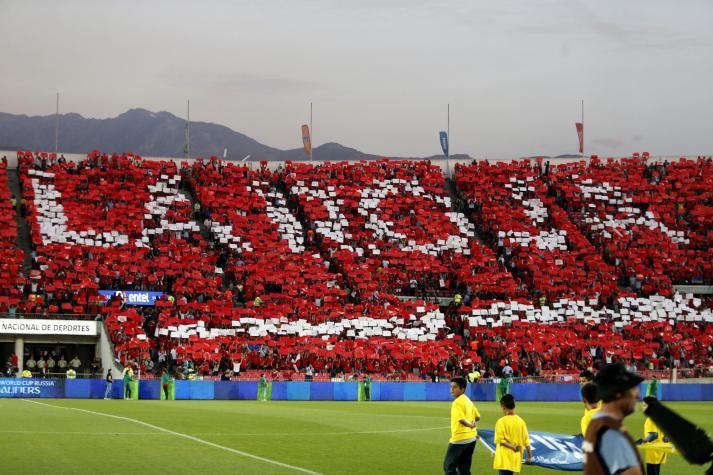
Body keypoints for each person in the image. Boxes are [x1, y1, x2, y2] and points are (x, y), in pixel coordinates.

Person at [583, 362, 644, 475]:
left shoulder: (596, 422)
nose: (638, 395)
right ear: (618, 393)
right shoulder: (611, 433)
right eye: (632, 388)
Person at [443, 377, 480, 475]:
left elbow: (461, 420)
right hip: (471, 439)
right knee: (464, 467)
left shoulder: (457, 402)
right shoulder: (468, 400)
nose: (452, 390)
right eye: (451, 387)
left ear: (462, 389)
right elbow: (478, 416)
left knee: (448, 466)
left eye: (455, 387)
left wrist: (470, 425)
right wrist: (473, 425)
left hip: (460, 438)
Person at [493, 394, 532, 475]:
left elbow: (500, 441)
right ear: (514, 405)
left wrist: (512, 446)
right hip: (515, 459)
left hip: (504, 459)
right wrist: (529, 456)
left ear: (503, 406)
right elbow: (526, 441)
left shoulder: (501, 422)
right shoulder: (521, 421)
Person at [637, 397, 668, 475]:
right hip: (661, 451)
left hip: (653, 452)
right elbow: (666, 437)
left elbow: (654, 434)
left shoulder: (650, 419)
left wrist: (643, 441)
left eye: (644, 405)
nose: (643, 407)